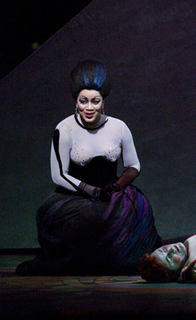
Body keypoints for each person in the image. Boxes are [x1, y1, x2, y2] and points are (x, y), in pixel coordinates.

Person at [16, 60, 162, 276]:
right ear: (76, 101)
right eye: (83, 101)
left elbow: (133, 165)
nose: (89, 107)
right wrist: (91, 191)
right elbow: (58, 175)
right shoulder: (64, 129)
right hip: (73, 197)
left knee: (136, 212)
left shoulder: (118, 127)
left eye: (95, 101)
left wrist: (118, 186)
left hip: (113, 193)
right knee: (90, 219)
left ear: (103, 102)